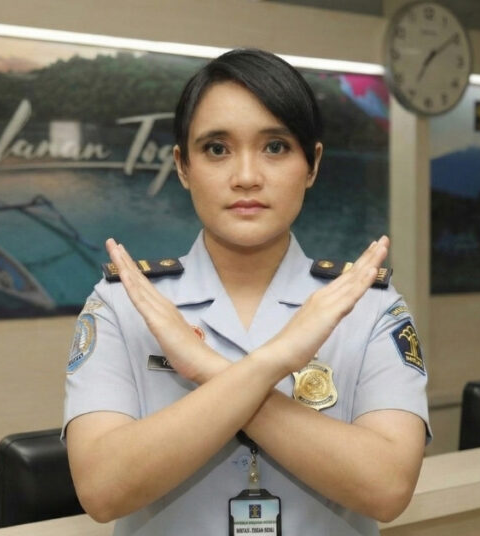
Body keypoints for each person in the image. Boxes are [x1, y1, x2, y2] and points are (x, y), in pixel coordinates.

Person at [63, 48, 430, 535]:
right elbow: (102, 488)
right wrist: (273, 363)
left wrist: (211, 371)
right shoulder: (122, 304)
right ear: (183, 166)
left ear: (312, 164)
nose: (246, 177)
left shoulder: (371, 306)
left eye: (275, 147)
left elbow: (387, 488)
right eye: (217, 148)